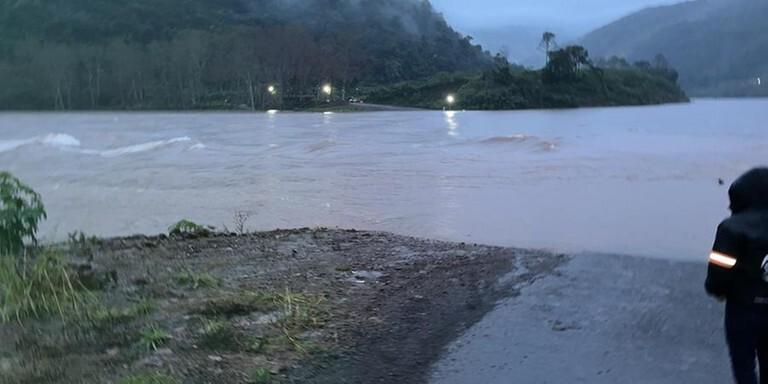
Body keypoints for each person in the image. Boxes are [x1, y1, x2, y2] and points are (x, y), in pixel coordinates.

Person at [706, 167, 768, 384]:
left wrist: (716, 290)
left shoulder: (731, 228)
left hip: (743, 308)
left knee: (743, 367)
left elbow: (720, 269)